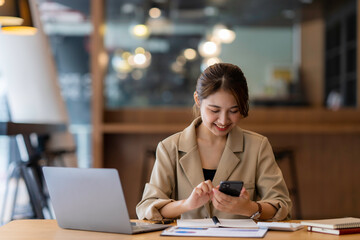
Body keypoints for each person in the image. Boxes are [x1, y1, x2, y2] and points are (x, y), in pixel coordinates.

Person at [136, 63, 292, 221]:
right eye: (214, 110)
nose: (223, 120)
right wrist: (187, 204)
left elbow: (282, 205)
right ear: (197, 99)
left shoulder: (258, 146)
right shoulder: (170, 147)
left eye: (234, 111)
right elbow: (147, 208)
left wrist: (249, 208)